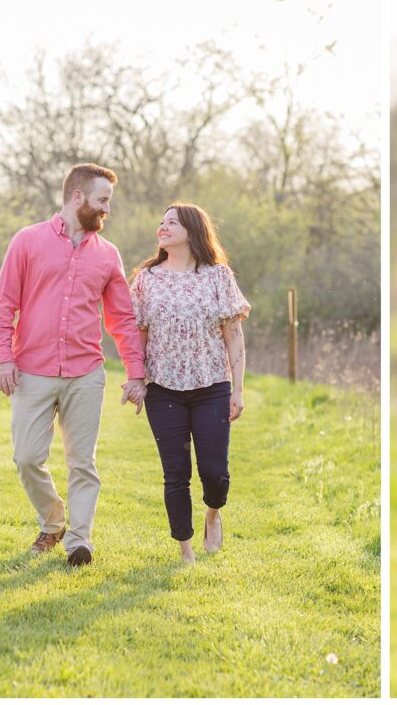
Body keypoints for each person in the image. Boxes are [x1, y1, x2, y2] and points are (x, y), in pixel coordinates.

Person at [0, 162, 147, 568]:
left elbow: (122, 320)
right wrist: (3, 358)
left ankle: (80, 541)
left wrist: (135, 373)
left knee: (82, 462)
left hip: (85, 373)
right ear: (78, 198)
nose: (107, 209)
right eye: (102, 200)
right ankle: (54, 519)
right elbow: (4, 305)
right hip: (32, 371)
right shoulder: (27, 242)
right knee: (26, 457)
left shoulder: (108, 255)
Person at [129, 203, 249, 564]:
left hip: (211, 385)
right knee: (175, 473)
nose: (162, 227)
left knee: (214, 470)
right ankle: (185, 548)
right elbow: (137, 335)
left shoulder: (217, 276)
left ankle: (213, 512)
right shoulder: (147, 279)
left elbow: (234, 335)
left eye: (171, 223)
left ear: (192, 230)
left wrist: (237, 389)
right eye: (161, 222)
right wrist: (135, 377)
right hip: (163, 389)